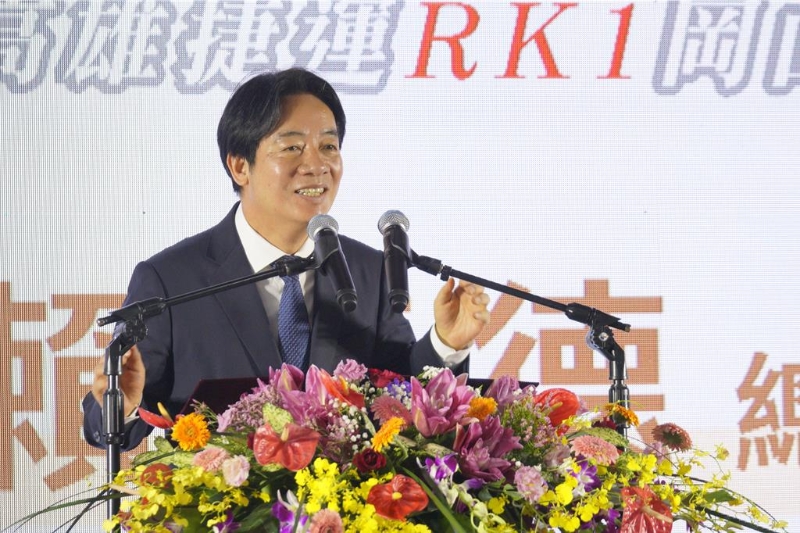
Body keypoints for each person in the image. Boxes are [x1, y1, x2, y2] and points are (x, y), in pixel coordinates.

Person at [83, 68, 490, 450]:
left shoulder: (369, 271)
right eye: (292, 147)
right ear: (239, 166)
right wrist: (121, 405)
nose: (316, 165)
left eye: (328, 146)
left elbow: (401, 394)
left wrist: (445, 344)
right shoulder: (171, 280)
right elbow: (113, 426)